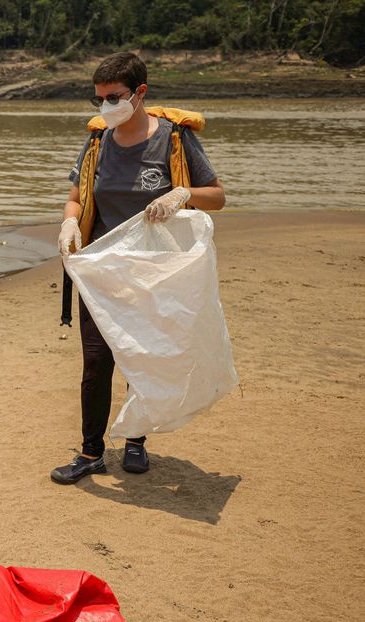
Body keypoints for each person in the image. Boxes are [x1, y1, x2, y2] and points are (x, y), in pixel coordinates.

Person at [51, 52, 225, 485]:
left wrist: (181, 194)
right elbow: (76, 196)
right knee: (96, 361)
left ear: (140, 93)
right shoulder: (97, 142)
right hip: (102, 271)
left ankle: (135, 442)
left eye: (114, 97)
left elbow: (217, 196)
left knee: (141, 356)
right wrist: (69, 221)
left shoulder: (173, 140)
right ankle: (91, 453)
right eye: (99, 100)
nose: (106, 107)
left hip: (154, 274)